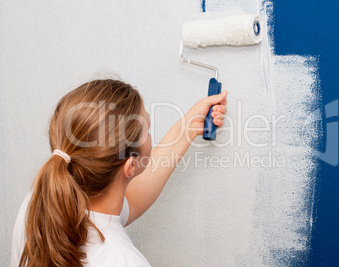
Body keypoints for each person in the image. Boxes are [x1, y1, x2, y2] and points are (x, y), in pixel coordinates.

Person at [10, 79, 228, 266]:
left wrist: (188, 127)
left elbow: (131, 200)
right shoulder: (123, 260)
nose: (150, 135)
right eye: (148, 131)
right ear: (130, 167)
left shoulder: (42, 204)